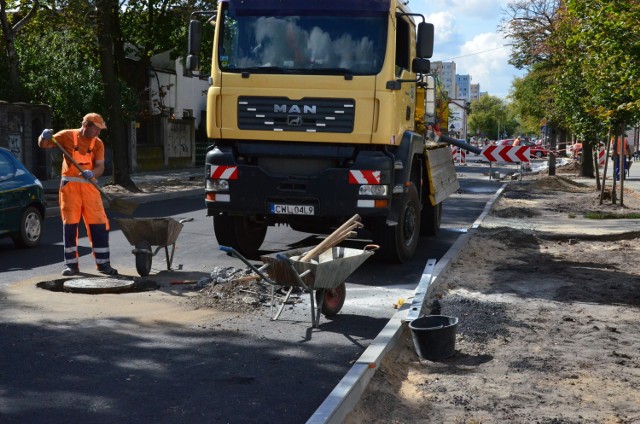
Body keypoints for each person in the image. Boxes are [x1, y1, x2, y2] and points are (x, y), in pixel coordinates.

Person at [38, 113, 118, 276]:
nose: (99, 132)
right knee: (70, 226)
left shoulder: (98, 144)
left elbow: (100, 167)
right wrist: (42, 136)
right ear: (87, 125)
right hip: (70, 189)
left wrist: (93, 173)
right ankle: (71, 266)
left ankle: (103, 264)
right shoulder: (67, 136)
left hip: (90, 188)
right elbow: (44, 144)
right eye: (97, 129)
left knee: (99, 224)